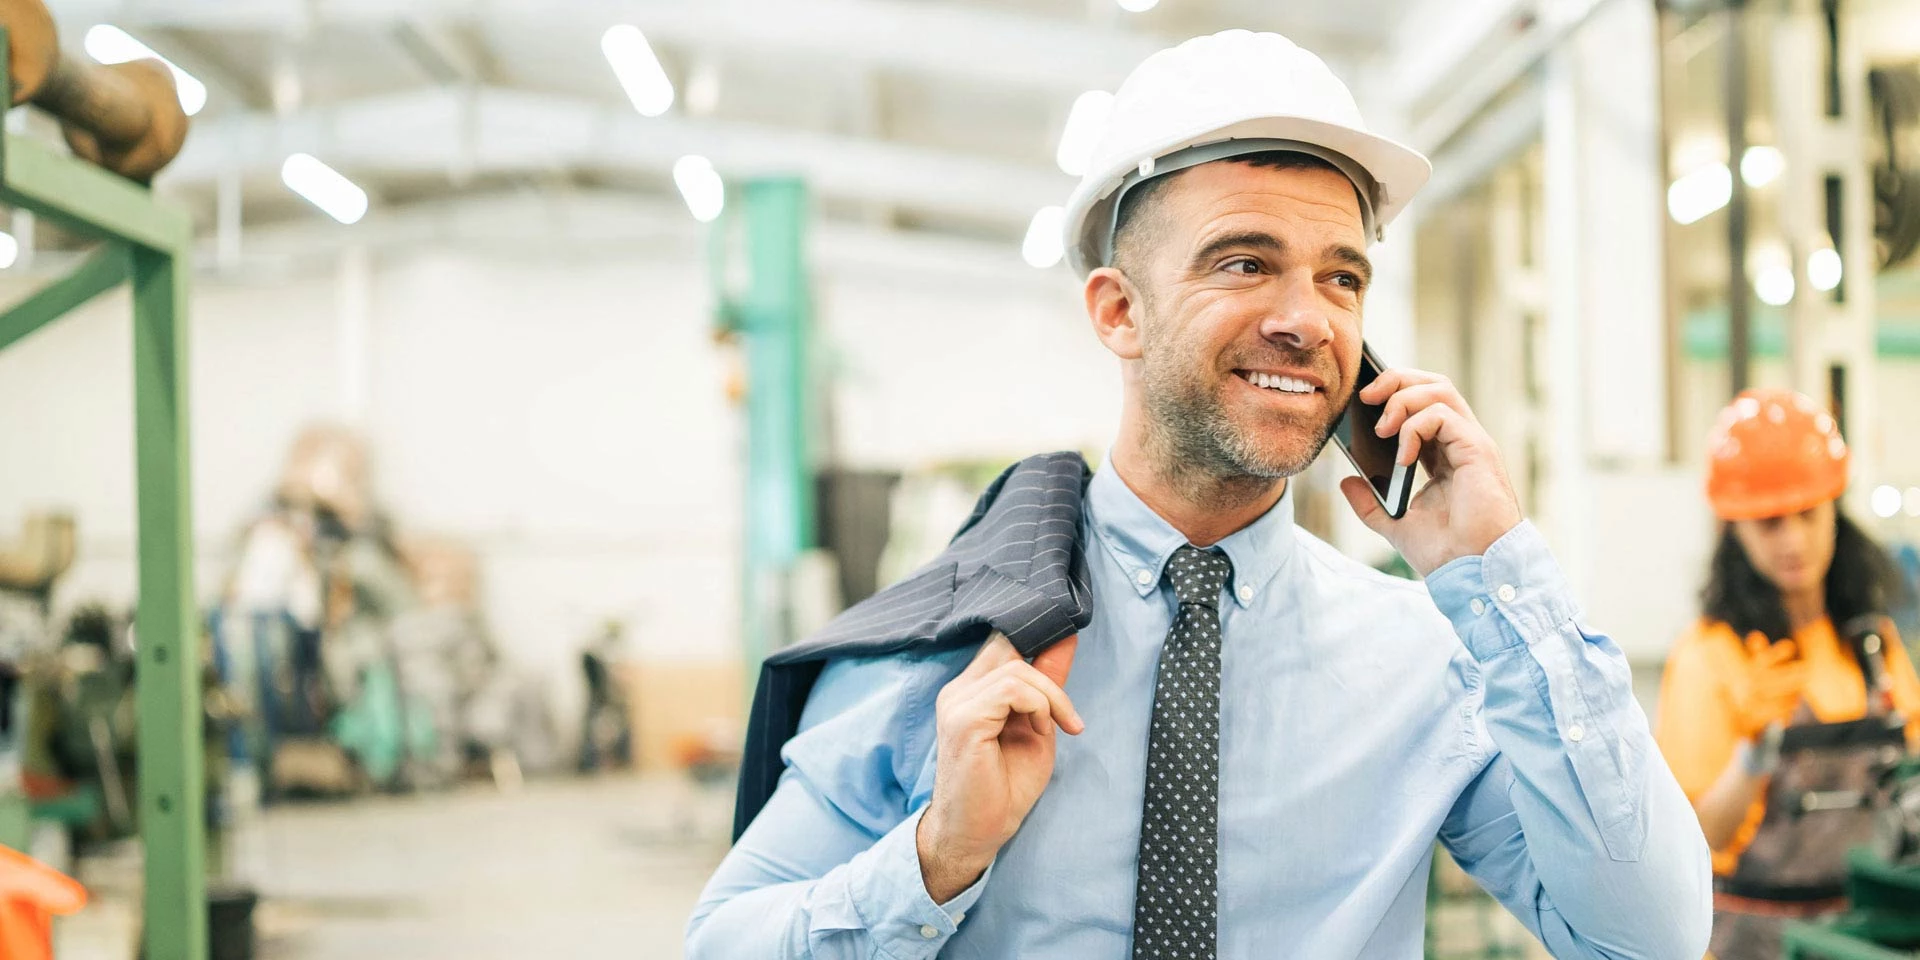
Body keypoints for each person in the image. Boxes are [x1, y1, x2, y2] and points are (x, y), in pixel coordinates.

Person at [687, 29, 1711, 959]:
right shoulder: (950, 650)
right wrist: (936, 855)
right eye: (1246, 262)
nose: (1308, 321)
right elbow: (725, 941)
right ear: (1118, 309)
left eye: (1343, 277)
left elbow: (1647, 939)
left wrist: (1499, 573)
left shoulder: (1433, 661)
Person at [1655, 387, 1919, 958]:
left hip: (1864, 935)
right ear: (1736, 530)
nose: (1793, 540)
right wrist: (1754, 754)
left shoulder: (1872, 644)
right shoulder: (1709, 658)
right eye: (1769, 523)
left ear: (1834, 510)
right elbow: (1692, 845)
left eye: (1807, 514)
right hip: (1751, 942)